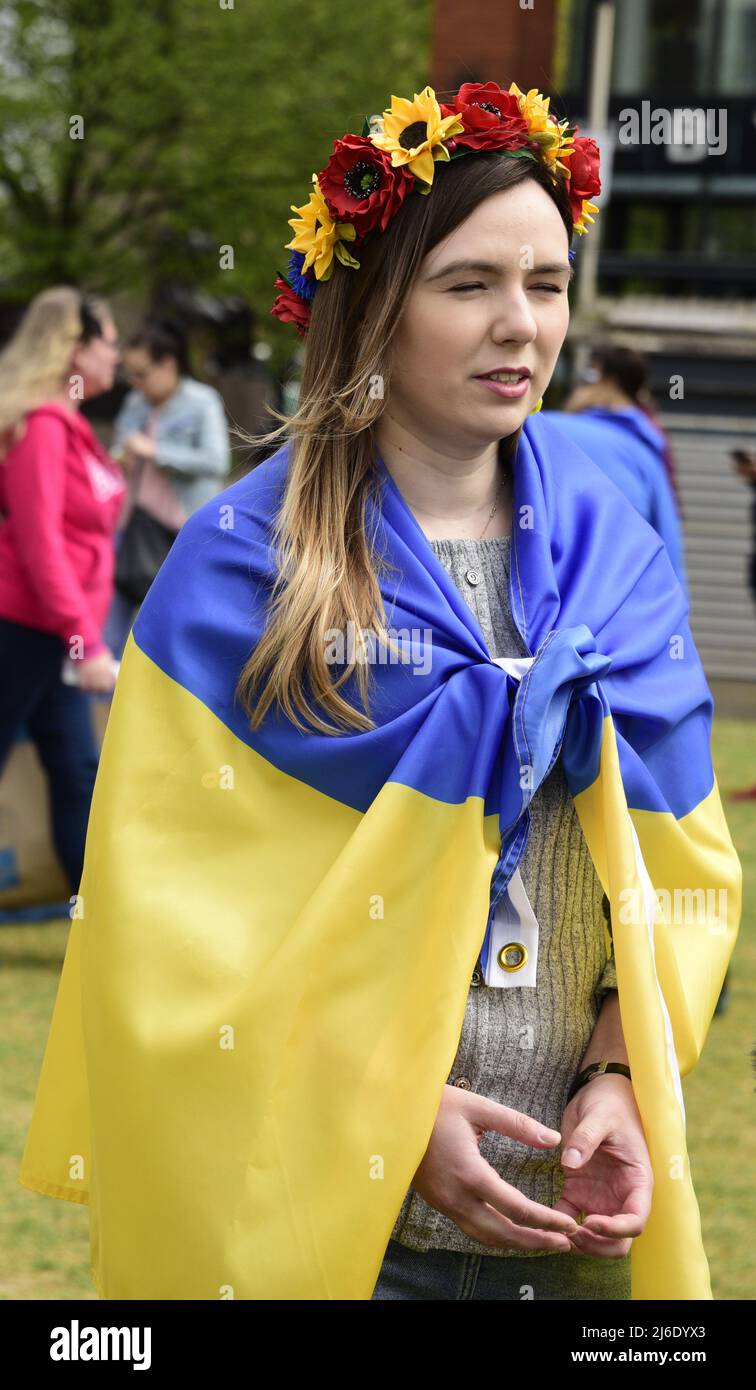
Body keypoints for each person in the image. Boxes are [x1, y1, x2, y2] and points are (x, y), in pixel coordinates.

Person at [19, 81, 740, 1302]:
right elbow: (172, 936)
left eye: (548, 285)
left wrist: (619, 1068)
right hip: (329, 1218)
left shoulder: (615, 549)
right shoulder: (247, 570)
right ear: (372, 306)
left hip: (572, 1225)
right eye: (469, 285)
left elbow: (676, 866)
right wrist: (389, 1105)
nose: (521, 325)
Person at [0, 287, 125, 896]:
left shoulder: (69, 424)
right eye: (108, 341)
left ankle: (93, 919)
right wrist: (87, 642)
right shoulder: (43, 426)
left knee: (77, 770)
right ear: (75, 348)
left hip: (51, 636)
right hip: (22, 629)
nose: (118, 355)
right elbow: (40, 543)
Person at [103, 317, 231, 658]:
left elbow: (216, 461)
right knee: (110, 632)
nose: (134, 383)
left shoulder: (203, 401)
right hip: (130, 527)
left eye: (141, 374)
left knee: (166, 633)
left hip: (180, 533)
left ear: (168, 363)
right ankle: (107, 696)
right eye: (129, 374)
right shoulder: (135, 402)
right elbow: (119, 449)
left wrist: (156, 452)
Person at [545, 346, 688, 591]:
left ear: (609, 382)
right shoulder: (649, 449)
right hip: (628, 607)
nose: (577, 387)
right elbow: (669, 549)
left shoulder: (549, 430)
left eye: (588, 376)